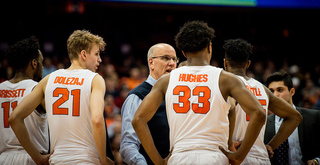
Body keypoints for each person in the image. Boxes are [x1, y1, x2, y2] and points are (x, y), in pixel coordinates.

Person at [132, 20, 267, 165]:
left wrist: (158, 162)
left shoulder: (166, 80)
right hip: (214, 156)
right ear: (210, 47)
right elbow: (259, 114)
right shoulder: (226, 78)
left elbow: (138, 120)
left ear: (183, 52)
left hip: (179, 157)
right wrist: (240, 155)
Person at [9, 30, 114, 165]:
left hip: (57, 160)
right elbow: (98, 120)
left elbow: (14, 118)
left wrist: (38, 158)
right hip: (86, 160)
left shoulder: (49, 79)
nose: (100, 59)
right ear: (83, 54)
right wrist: (104, 159)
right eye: (96, 54)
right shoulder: (95, 79)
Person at [223, 39, 302, 165]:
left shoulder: (223, 85)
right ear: (248, 64)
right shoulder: (262, 88)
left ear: (225, 63)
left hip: (235, 156)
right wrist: (271, 146)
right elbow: (295, 116)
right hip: (260, 158)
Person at [120, 43, 178, 165]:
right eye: (166, 58)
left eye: (174, 59)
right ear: (151, 63)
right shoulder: (137, 96)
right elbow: (128, 145)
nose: (172, 63)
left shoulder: (178, 94)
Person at [0, 36, 49, 165]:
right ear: (33, 63)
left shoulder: (0, 88)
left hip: (3, 158)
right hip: (33, 157)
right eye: (41, 62)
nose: (42, 66)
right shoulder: (36, 90)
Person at [265, 71, 320, 165]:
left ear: (292, 92)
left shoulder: (314, 117)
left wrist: (317, 161)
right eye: (271, 91)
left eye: (280, 90)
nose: (275, 95)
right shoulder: (264, 122)